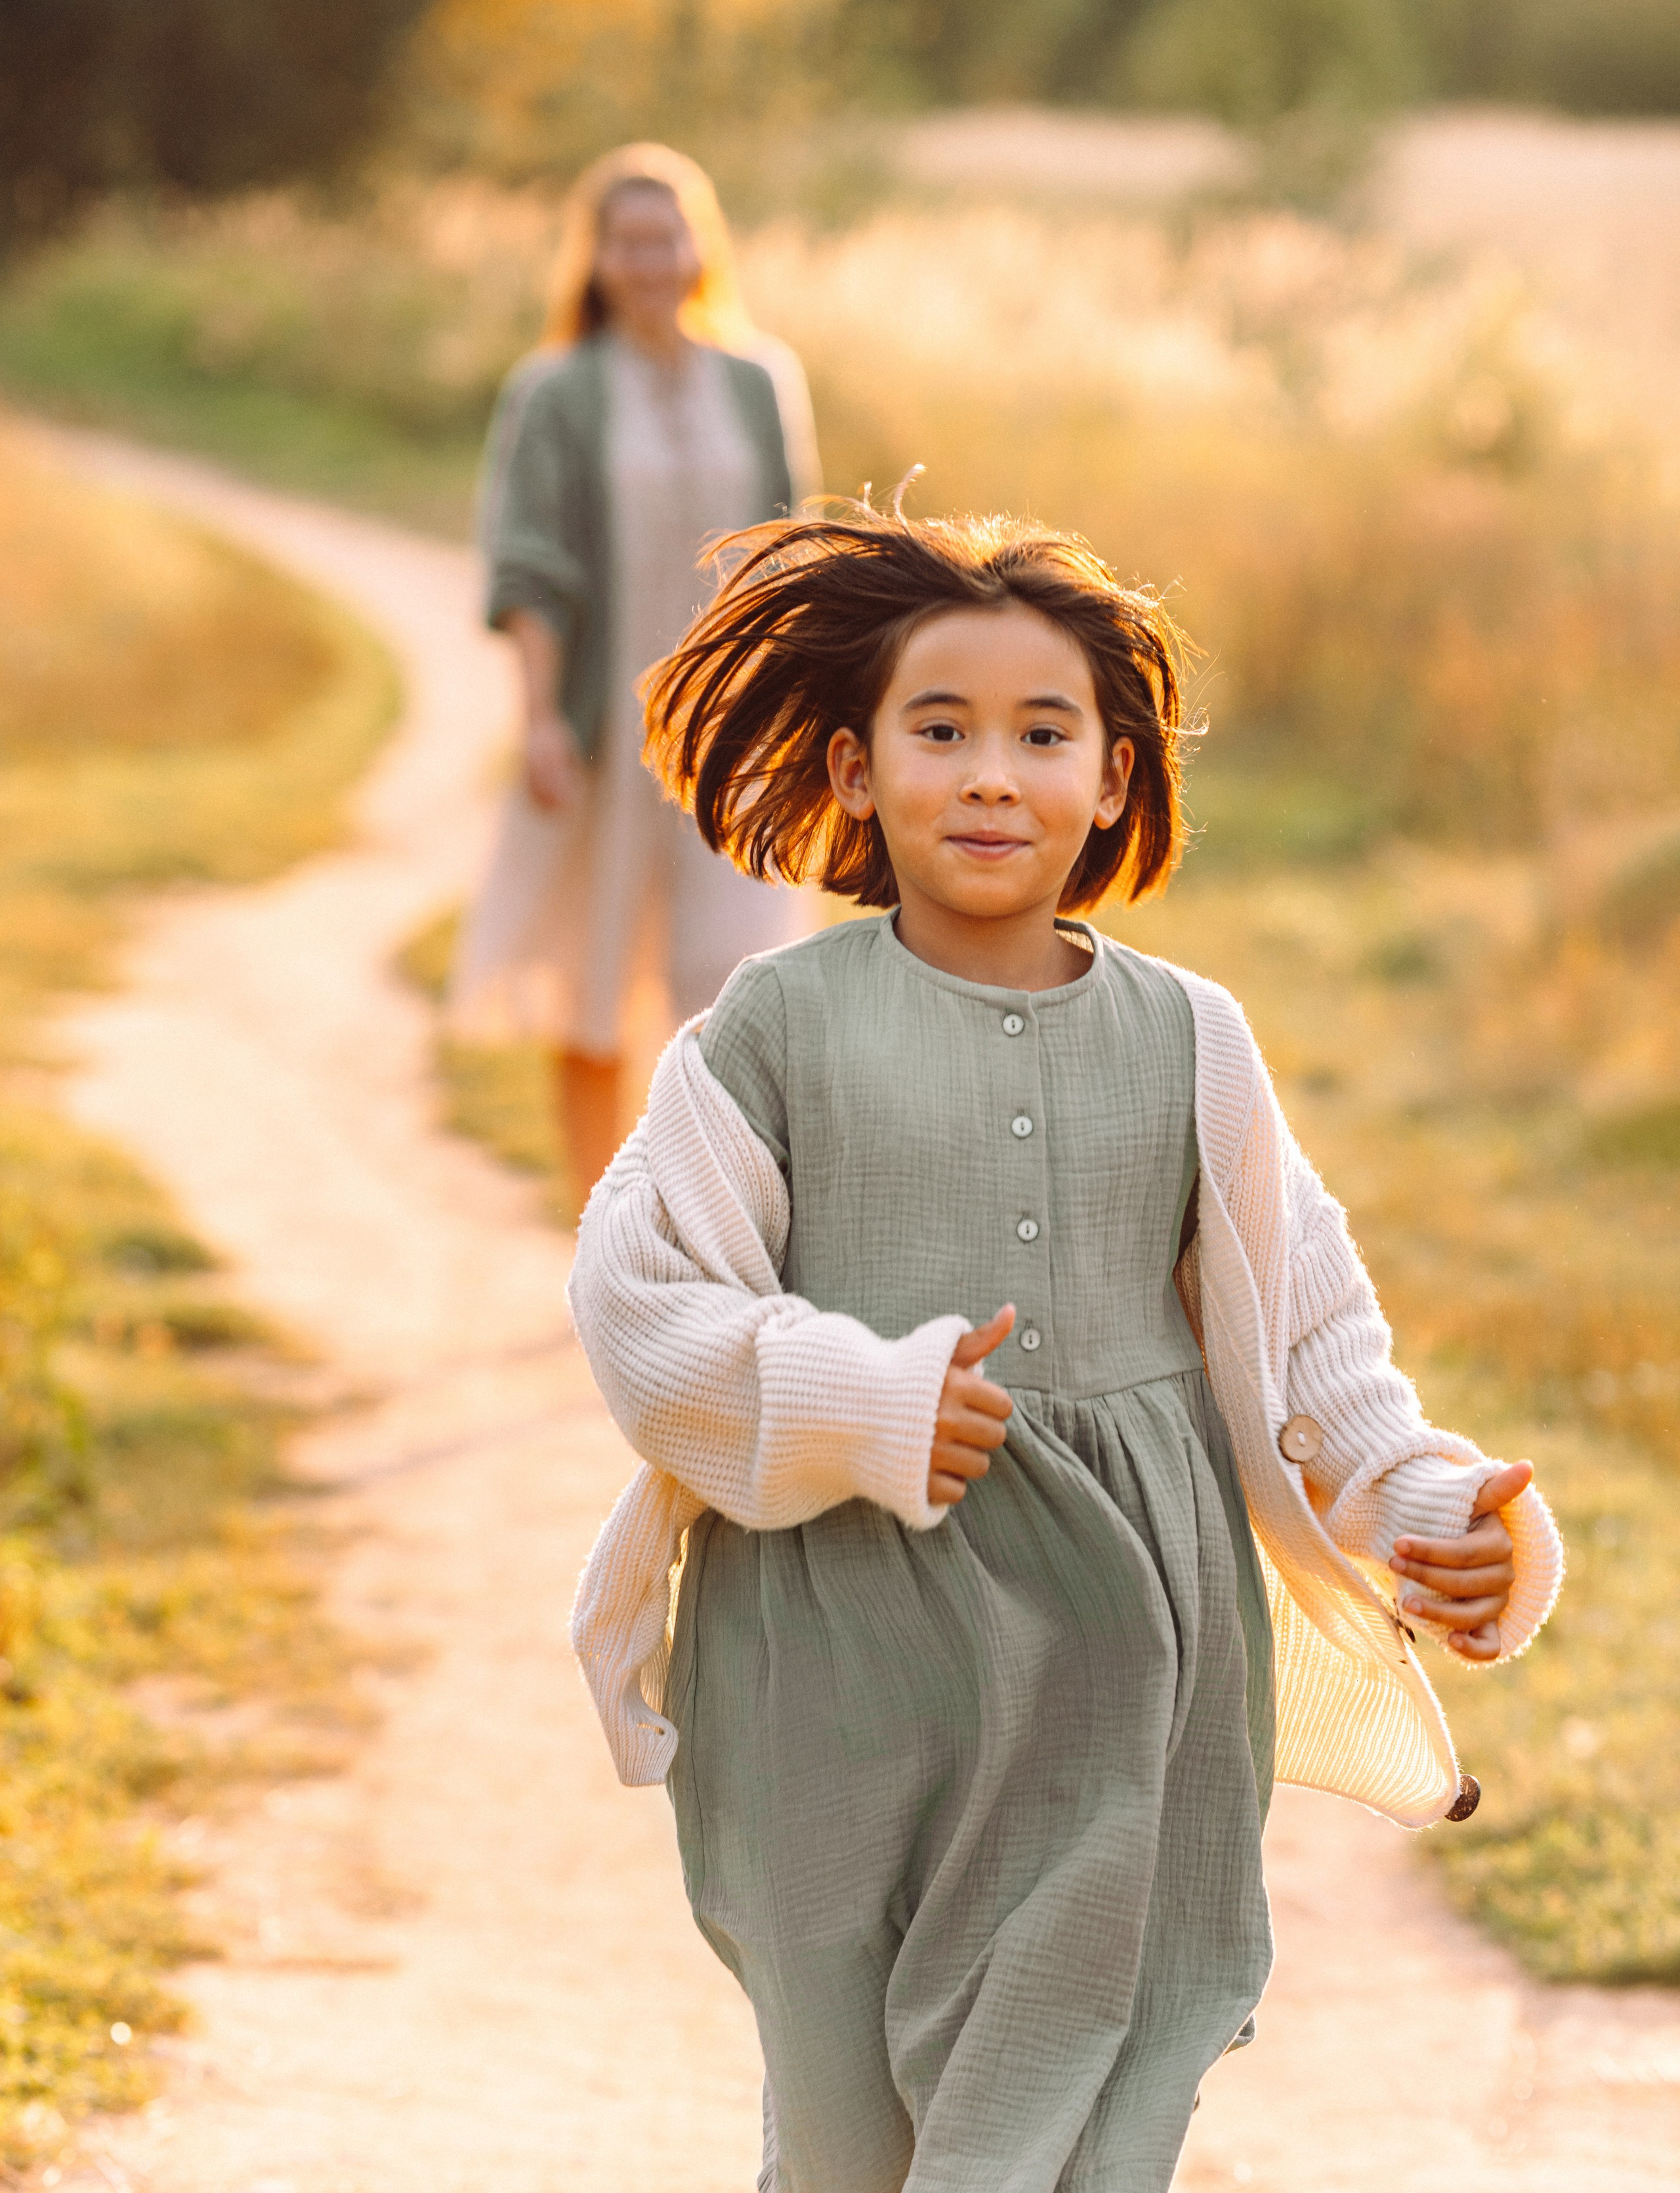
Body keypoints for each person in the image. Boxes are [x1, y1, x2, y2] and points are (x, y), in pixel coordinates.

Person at [566, 506, 1564, 2193]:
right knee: (841, 2116)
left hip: (1129, 1639)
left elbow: (1313, 1335)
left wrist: (1439, 1511)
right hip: (834, 1639)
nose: (988, 774)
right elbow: (637, 1295)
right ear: (856, 767)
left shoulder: (1192, 1037)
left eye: (1042, 734)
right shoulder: (774, 1028)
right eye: (937, 729)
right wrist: (859, 1398)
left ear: (1112, 778)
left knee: (1089, 2074)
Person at [447, 142, 818, 1197]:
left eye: (669, 236)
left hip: (734, 733)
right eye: (629, 240)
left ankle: (710, 1230)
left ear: (699, 247)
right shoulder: (557, 391)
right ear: (598, 257)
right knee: (595, 981)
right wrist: (539, 720)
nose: (652, 258)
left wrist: (803, 711)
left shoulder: (759, 380)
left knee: (733, 982)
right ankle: (596, 1232)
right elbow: (532, 566)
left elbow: (793, 555)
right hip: (606, 726)